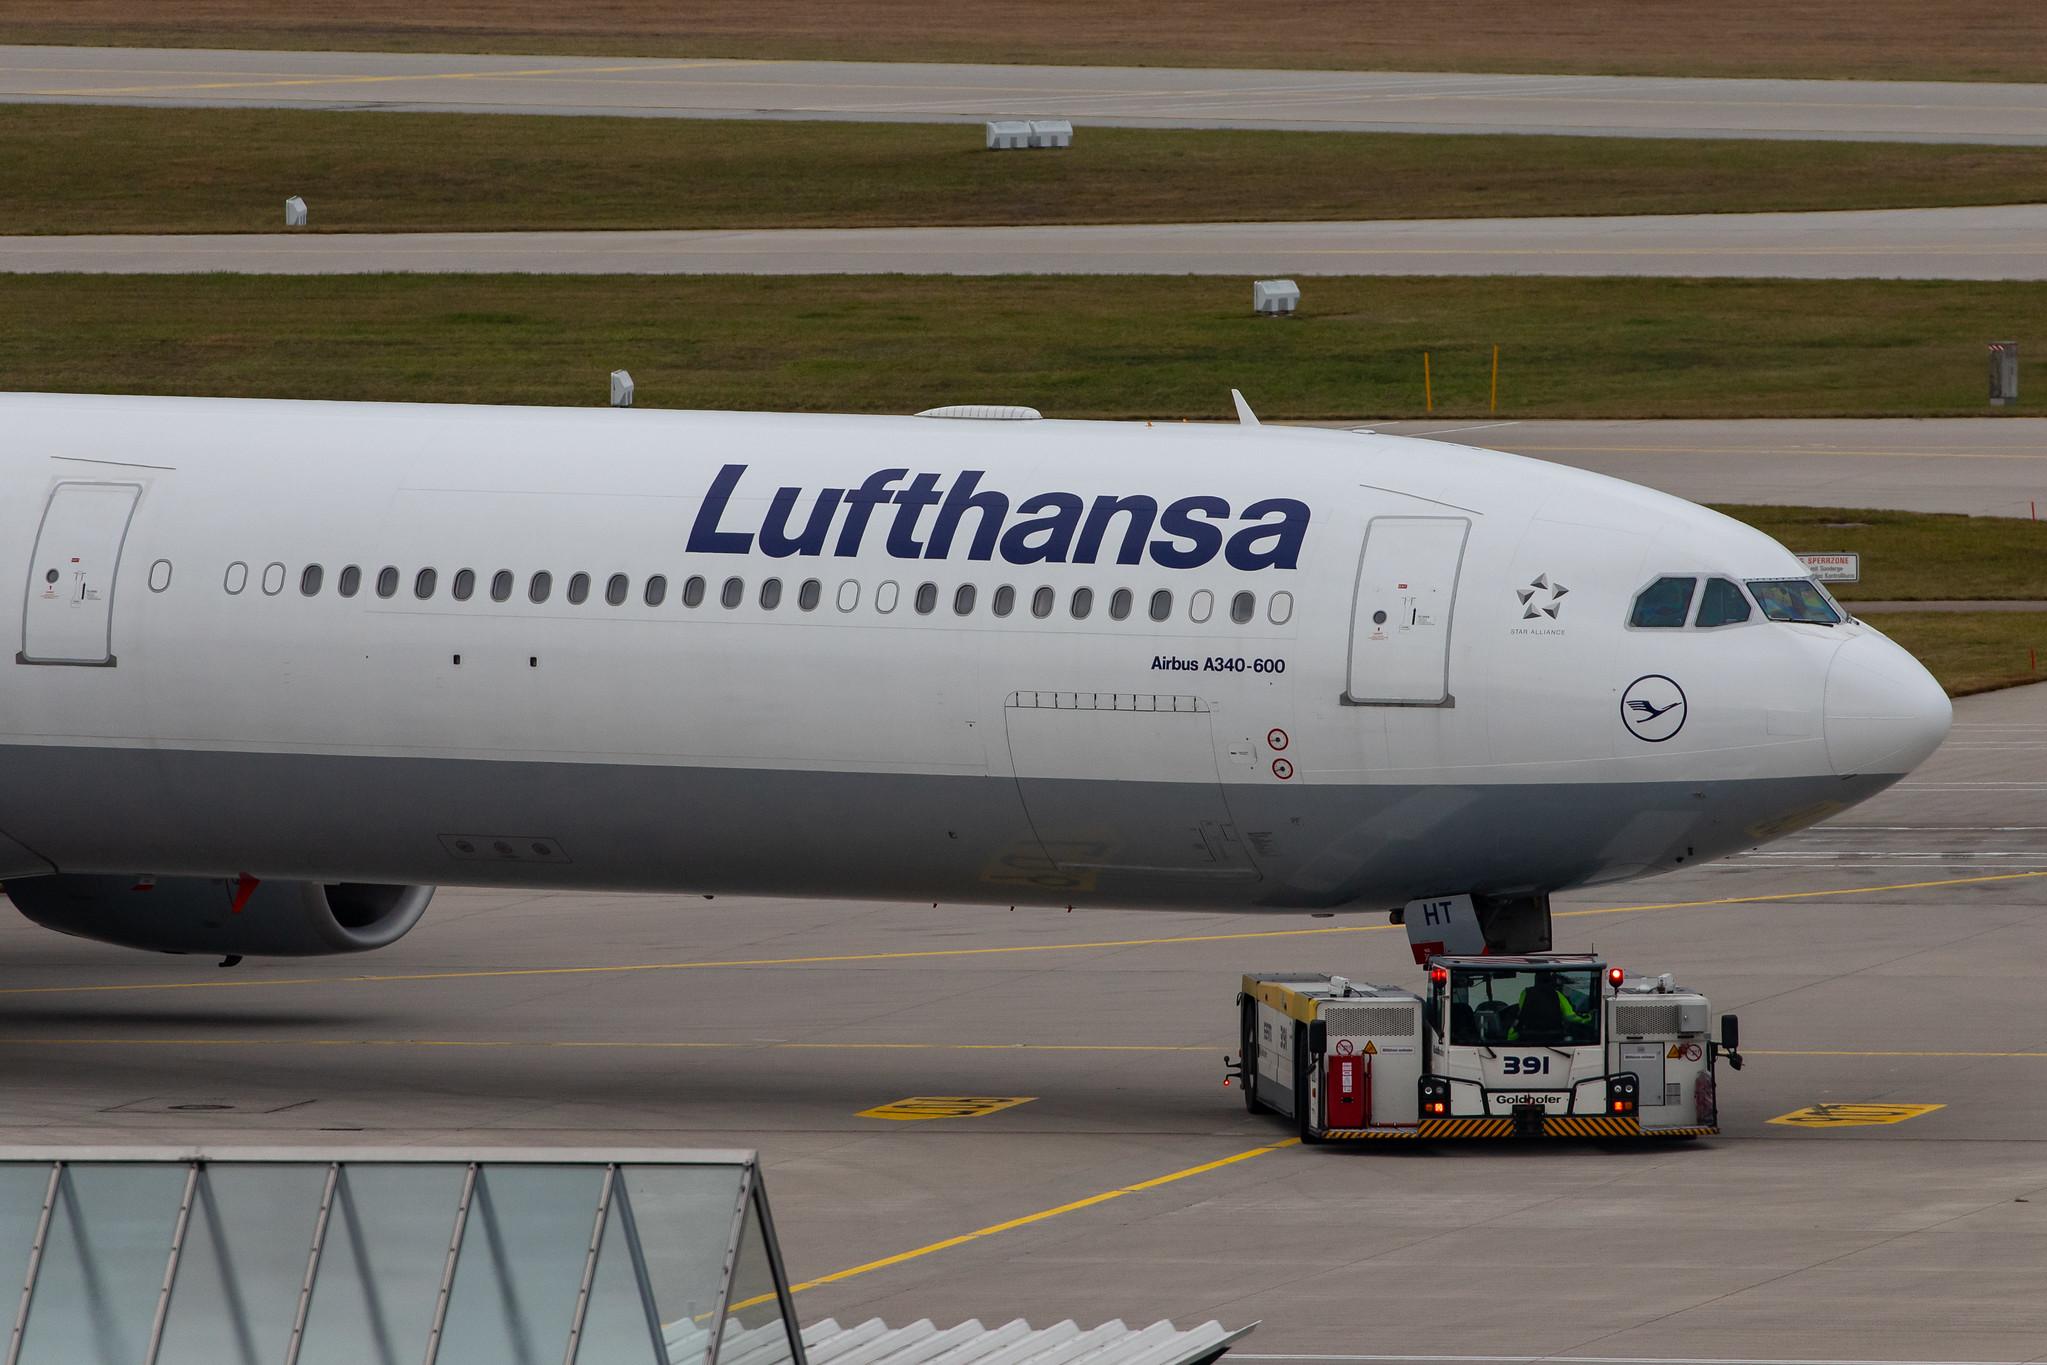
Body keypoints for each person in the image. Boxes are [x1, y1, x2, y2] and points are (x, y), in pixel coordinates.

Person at [1510, 977, 1589, 1042]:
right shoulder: (1557, 995)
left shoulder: (1526, 993)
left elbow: (1521, 1011)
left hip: (1527, 1037)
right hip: (1555, 1038)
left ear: (1536, 981)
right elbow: (1570, 1017)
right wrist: (1589, 1017)